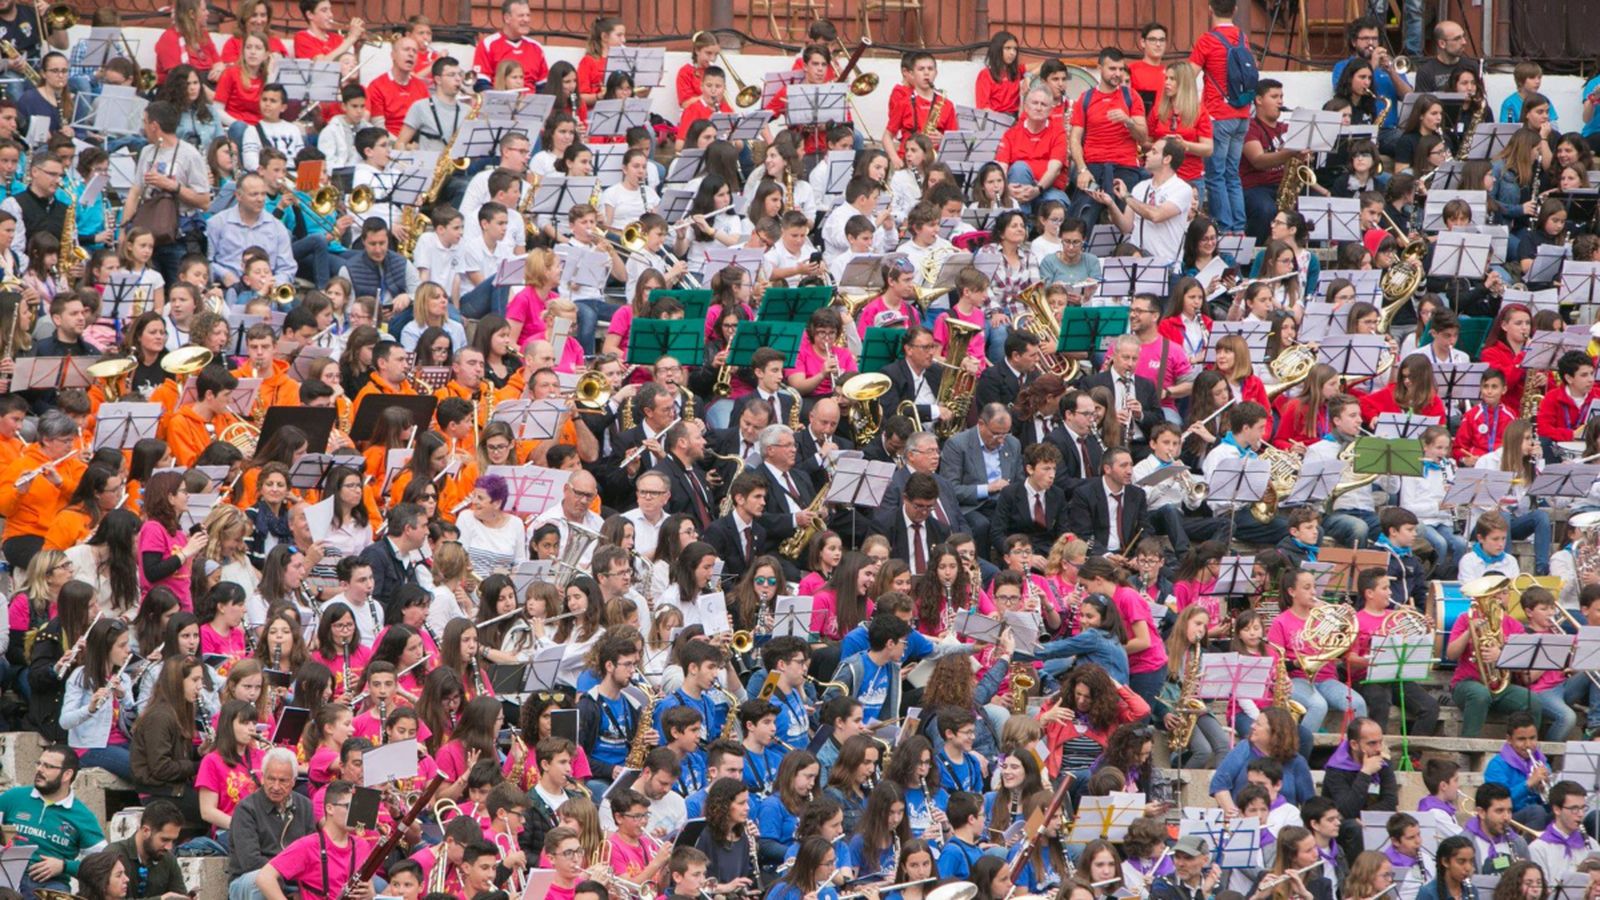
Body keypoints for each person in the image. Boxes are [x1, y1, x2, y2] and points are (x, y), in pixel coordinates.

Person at [0, 746, 107, 900]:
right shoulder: (14, 797)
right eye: (39, 764)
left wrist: (63, 866)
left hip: (49, 886)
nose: (40, 770)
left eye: (48, 766)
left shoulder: (82, 815)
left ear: (67, 775)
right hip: (4, 881)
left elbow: (103, 863)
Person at [227, 747, 313, 900]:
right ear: (262, 778)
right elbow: (251, 862)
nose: (276, 787)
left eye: (283, 781)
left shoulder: (305, 806)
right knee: (262, 880)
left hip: (292, 880)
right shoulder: (246, 809)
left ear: (293, 781)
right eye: (271, 779)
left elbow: (312, 854)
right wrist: (283, 876)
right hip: (250, 880)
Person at [106, 800, 186, 900]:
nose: (169, 847)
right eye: (164, 840)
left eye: (173, 841)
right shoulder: (114, 855)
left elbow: (179, 895)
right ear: (146, 831)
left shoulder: (168, 859)